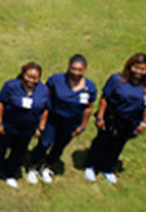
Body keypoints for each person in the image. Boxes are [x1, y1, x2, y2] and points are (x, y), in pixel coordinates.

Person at [83, 53, 146, 184]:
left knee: (118, 145)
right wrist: (100, 117)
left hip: (129, 122)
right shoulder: (117, 79)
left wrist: (144, 123)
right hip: (111, 118)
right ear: (130, 66)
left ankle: (107, 168)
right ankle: (91, 166)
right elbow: (104, 99)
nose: (139, 72)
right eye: (136, 67)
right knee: (102, 142)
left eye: (142, 69)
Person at [29, 54, 96, 182]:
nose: (76, 72)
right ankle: (33, 166)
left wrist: (82, 125)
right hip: (53, 119)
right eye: (73, 69)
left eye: (79, 70)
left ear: (85, 70)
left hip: (72, 122)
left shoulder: (90, 87)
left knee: (59, 146)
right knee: (44, 143)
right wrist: (41, 121)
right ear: (68, 67)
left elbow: (88, 108)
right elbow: (45, 98)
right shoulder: (56, 80)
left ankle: (47, 166)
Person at [0, 62, 50, 188]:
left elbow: (46, 109)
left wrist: (41, 127)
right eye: (28, 76)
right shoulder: (11, 86)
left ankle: (9, 173)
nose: (31, 80)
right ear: (23, 75)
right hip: (7, 126)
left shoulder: (43, 90)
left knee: (19, 153)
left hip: (27, 130)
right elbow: (0, 103)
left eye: (35, 78)